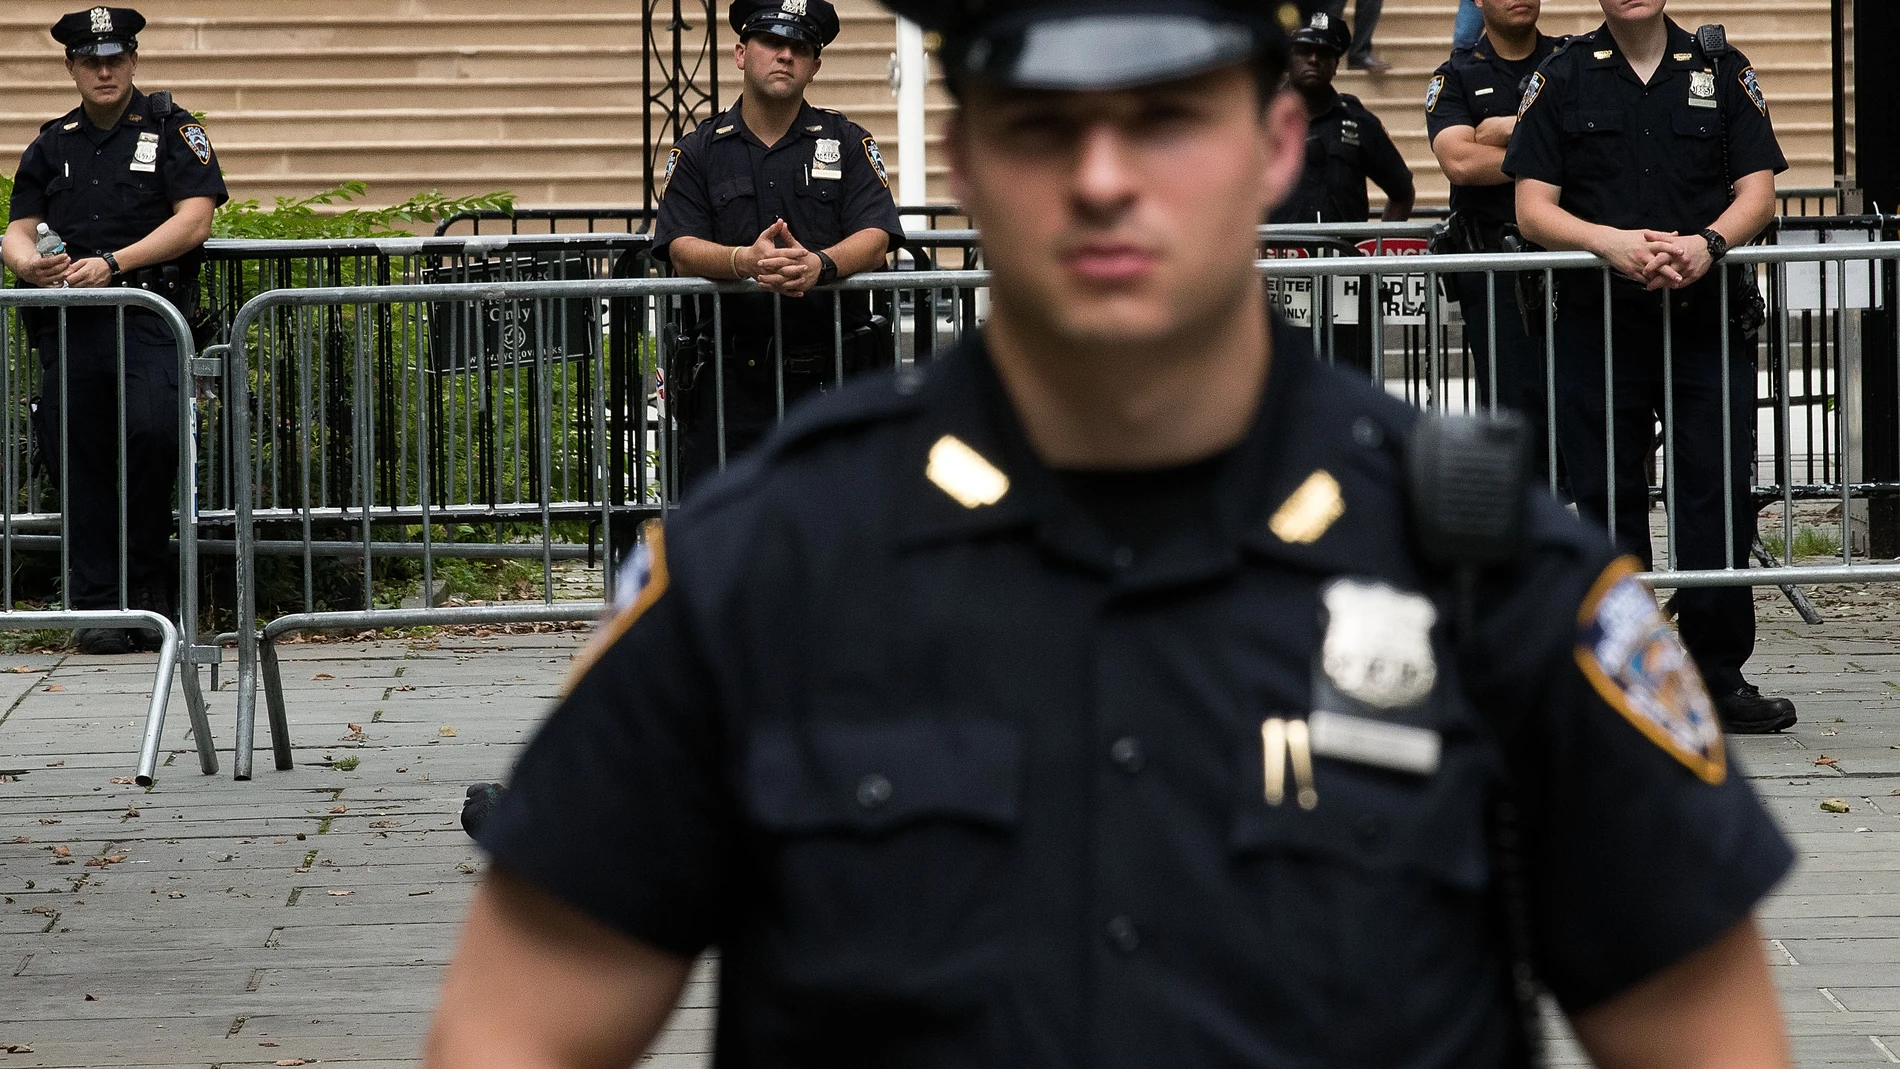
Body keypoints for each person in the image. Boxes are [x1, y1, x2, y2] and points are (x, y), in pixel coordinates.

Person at [426, 1, 1795, 1066]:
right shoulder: (770, 558)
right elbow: (518, 1024)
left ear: (1270, 145)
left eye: (1163, 119)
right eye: (1040, 124)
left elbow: (1704, 1026)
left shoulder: (1487, 567)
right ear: (961, 160)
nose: (1100, 176)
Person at [1504, 0, 1799, 732]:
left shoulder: (1720, 69)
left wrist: (1708, 243)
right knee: (1607, 497)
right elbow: (1533, 207)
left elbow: (1757, 192)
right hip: (1598, 324)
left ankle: (1715, 674)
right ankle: (1625, 678)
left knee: (1716, 492)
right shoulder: (1562, 74)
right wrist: (1605, 242)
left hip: (1706, 322)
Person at [1, 7, 226, 656]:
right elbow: (20, 226)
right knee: (79, 455)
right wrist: (24, 261)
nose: (105, 70)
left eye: (116, 58)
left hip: (149, 318)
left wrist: (115, 265)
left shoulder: (171, 129)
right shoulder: (53, 143)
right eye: (90, 60)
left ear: (132, 60)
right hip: (73, 326)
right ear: (71, 67)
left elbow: (195, 220)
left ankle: (150, 600)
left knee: (152, 438)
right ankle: (100, 608)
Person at [653, 0, 905, 490]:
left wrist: (820, 265)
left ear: (815, 64)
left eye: (800, 46)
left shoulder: (848, 142)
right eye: (772, 42)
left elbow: (876, 238)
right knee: (723, 540)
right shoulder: (699, 150)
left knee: (839, 533)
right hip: (727, 384)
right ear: (742, 53)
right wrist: (742, 261)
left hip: (834, 378)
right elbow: (680, 246)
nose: (785, 55)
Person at [1426, 0, 1560, 482]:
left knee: (1581, 403)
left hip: (1570, 263)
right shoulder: (1456, 75)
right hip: (1494, 273)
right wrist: (1548, 150)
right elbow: (1460, 162)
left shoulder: (1569, 59)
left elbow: (1596, 151)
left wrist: (1506, 129)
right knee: (1512, 407)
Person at [1273, 11, 1414, 373]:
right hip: (1275, 281)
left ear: (1337, 63)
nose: (1314, 60)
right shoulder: (1260, 122)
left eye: (1324, 53)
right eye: (1303, 51)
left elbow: (1401, 190)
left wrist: (1374, 253)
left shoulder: (1358, 123)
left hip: (1345, 283)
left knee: (1348, 379)